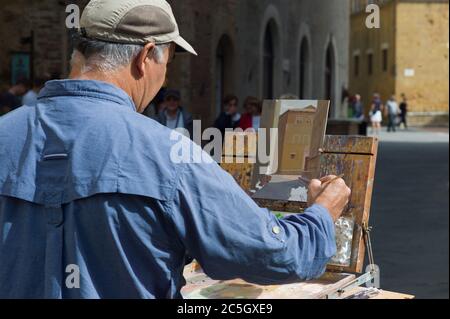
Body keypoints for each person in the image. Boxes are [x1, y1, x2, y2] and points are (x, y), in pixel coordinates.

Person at [0, 0, 350, 299]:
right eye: (167, 63)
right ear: (146, 56)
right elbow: (277, 255)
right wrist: (321, 214)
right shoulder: (169, 155)